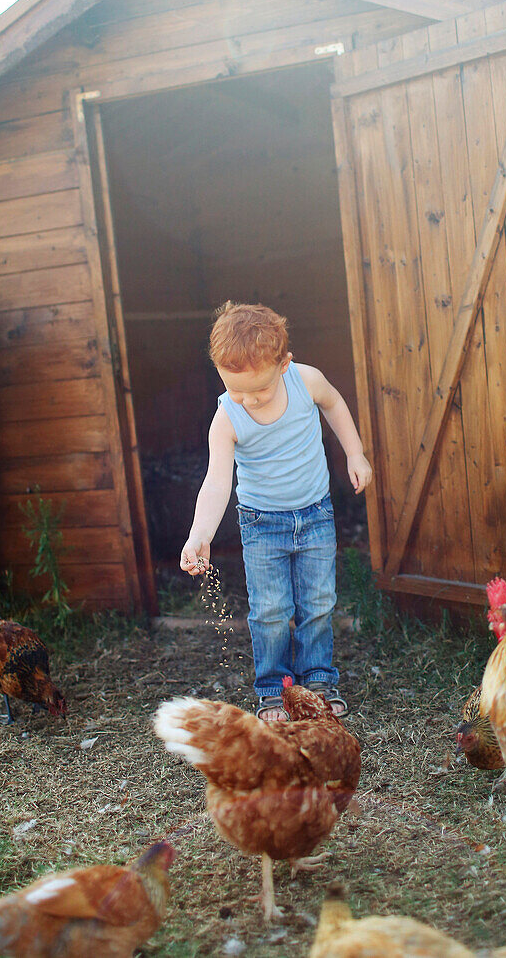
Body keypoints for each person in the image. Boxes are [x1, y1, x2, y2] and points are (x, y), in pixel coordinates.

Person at [181, 301, 372, 721]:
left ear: (284, 364)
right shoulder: (226, 417)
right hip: (261, 524)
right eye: (236, 390)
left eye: (259, 390)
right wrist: (201, 534)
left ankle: (319, 679)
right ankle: (272, 689)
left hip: (316, 514)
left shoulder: (306, 380)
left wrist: (354, 454)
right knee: (269, 610)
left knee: (318, 602)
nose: (248, 399)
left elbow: (335, 405)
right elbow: (217, 481)